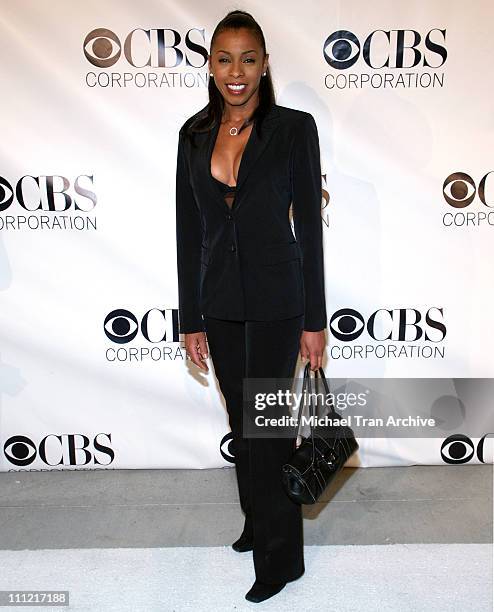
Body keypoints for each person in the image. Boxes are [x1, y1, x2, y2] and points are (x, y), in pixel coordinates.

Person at [175, 9, 327, 604]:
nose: (235, 72)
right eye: (223, 58)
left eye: (248, 58)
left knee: (266, 430)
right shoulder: (191, 133)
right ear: (211, 64)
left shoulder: (294, 129)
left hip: (278, 303)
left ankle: (281, 558)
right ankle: (255, 522)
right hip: (220, 302)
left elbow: (310, 231)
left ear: (265, 64)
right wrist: (190, 317)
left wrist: (314, 320)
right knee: (243, 425)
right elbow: (189, 229)